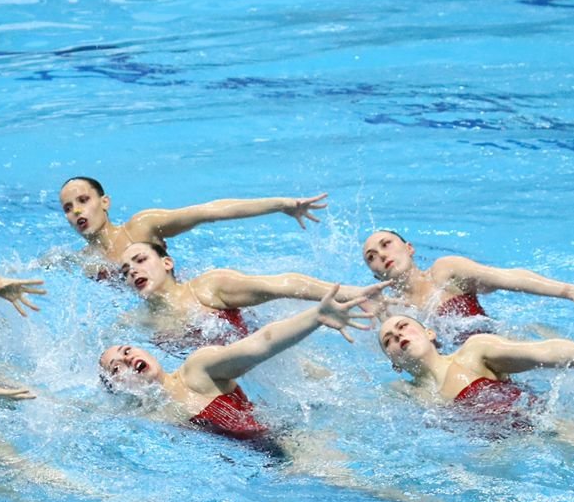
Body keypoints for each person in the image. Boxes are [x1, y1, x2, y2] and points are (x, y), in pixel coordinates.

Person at [97, 285, 383, 440]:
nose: (126, 358)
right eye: (116, 368)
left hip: (290, 447)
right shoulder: (145, 418)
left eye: (126, 350)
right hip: (257, 475)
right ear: (118, 387)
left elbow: (260, 344)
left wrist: (315, 317)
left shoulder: (197, 371)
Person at [375, 315, 574, 434]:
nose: (398, 335)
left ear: (430, 332)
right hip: (499, 458)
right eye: (387, 339)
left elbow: (545, 352)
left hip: (552, 431)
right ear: (393, 363)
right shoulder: (406, 394)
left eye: (403, 326)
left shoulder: (473, 351)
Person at [114, 240, 372, 350]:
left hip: (270, 365)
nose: (133, 271)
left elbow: (281, 284)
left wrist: (349, 292)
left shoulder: (207, 287)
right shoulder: (138, 321)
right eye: (126, 271)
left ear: (167, 263)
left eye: (140, 260)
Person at [58, 176, 328, 277]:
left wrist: (281, 204)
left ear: (104, 202)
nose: (77, 211)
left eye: (83, 200)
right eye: (68, 208)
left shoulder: (141, 227)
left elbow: (208, 212)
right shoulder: (82, 263)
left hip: (199, 307)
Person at [361, 229, 574, 327]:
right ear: (374, 273)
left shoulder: (445, 271)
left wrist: (567, 291)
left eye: (386, 244)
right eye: (372, 256)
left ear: (409, 248)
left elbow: (504, 277)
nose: (382, 255)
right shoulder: (392, 311)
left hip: (500, 353)